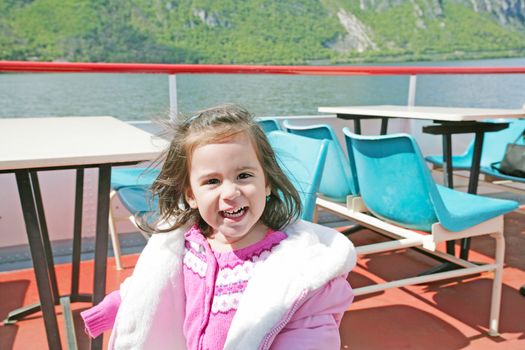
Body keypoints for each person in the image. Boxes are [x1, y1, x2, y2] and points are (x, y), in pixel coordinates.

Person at [81, 104, 356, 349]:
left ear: (267, 183)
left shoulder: (292, 267)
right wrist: (109, 310)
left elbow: (311, 328)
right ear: (191, 195)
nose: (230, 192)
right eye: (212, 181)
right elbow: (149, 288)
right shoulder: (188, 245)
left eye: (244, 175)